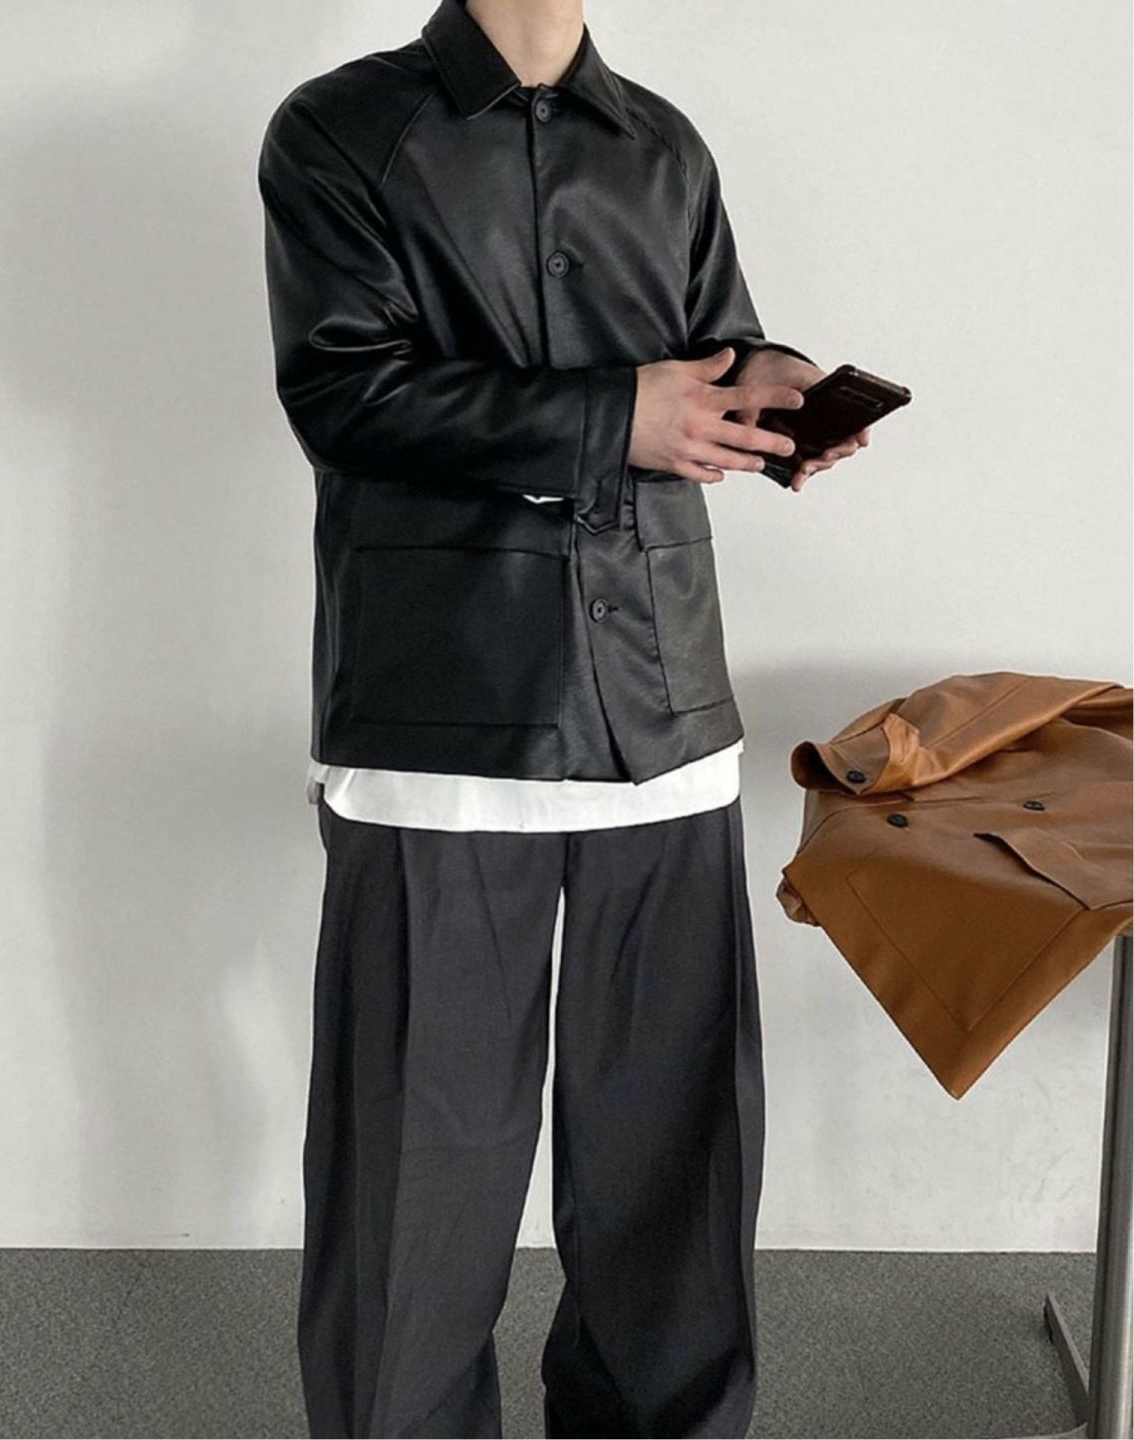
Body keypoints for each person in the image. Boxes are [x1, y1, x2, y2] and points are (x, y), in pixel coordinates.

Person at [257, 1, 870, 1435]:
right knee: (416, 1180)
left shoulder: (663, 147)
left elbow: (704, 352)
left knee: (676, 1169)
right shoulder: (341, 128)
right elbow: (344, 395)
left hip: (663, 709)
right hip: (445, 719)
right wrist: (613, 418)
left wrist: (768, 390)